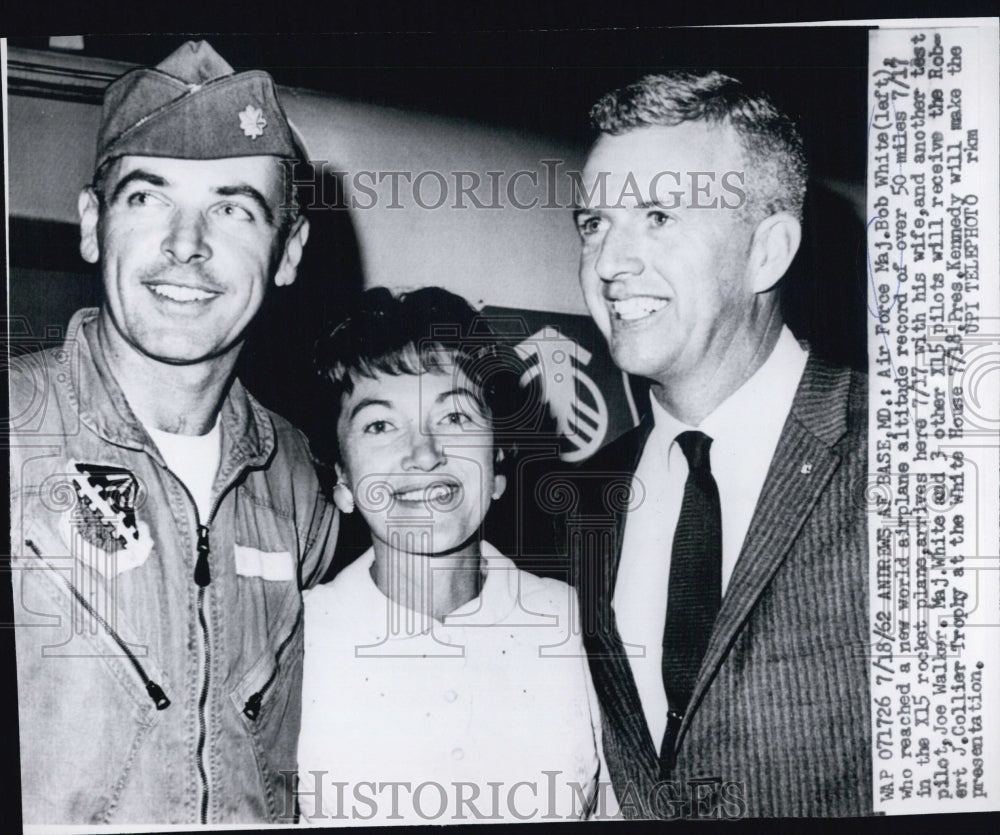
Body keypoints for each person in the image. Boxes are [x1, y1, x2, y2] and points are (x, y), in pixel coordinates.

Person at [8, 41, 338, 824]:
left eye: (232, 207)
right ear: (92, 224)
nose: (186, 244)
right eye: (147, 198)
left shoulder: (295, 478)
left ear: (288, 252)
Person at [563, 71, 871, 817]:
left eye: (659, 215)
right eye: (594, 222)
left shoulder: (912, 452)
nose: (607, 263)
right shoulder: (581, 496)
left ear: (768, 252)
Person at [297, 287, 612, 824]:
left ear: (497, 466)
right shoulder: (292, 634)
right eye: (379, 425)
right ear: (342, 481)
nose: (424, 453)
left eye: (456, 418)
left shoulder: (577, 621)